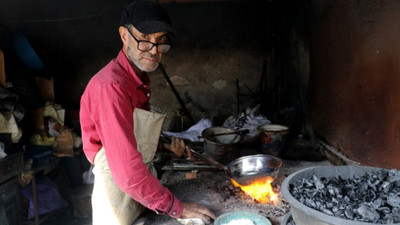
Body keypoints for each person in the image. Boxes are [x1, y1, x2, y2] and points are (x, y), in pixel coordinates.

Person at [79, 0, 216, 224]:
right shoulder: (112, 88)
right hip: (117, 189)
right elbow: (125, 170)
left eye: (160, 40)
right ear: (124, 36)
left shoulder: (138, 79)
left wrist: (163, 145)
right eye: (145, 39)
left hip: (139, 182)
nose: (154, 50)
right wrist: (177, 208)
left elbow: (129, 135)